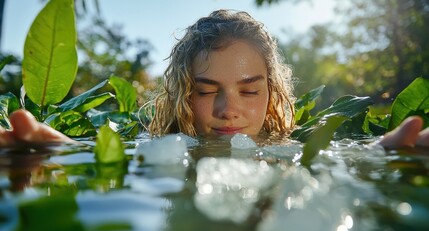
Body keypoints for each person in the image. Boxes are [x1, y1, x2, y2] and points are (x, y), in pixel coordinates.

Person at [0, 10, 428, 149]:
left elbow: (340, 160)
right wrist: (64, 154)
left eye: (249, 89)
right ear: (182, 95)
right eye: (206, 91)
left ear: (272, 92)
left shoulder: (292, 150)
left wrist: (379, 153)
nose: (229, 111)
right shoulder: (156, 150)